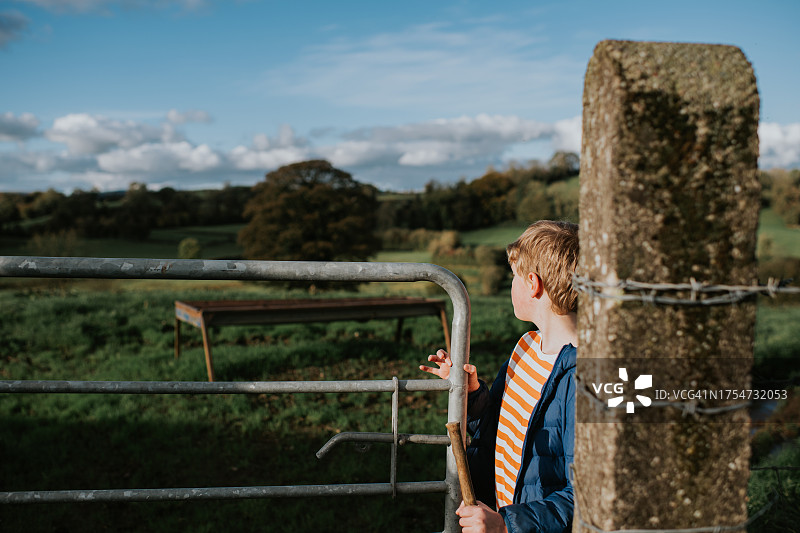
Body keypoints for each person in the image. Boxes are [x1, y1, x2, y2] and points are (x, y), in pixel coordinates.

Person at [420, 220, 578, 533]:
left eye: (514, 276)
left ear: (533, 284)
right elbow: (503, 422)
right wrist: (475, 394)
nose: (512, 285)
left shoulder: (582, 377)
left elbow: (587, 494)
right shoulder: (526, 347)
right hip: (504, 507)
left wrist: (507, 525)